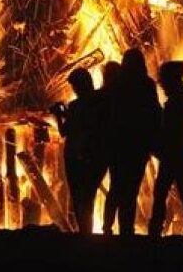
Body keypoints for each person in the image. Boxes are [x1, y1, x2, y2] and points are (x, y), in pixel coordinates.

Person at [106, 48, 159, 236]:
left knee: (116, 186)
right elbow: (155, 113)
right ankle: (126, 229)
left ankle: (107, 228)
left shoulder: (116, 85)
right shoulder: (147, 85)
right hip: (138, 145)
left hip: (117, 145)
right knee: (130, 190)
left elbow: (108, 114)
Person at [148, 60, 183, 237]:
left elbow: (172, 131)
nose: (161, 85)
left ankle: (155, 231)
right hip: (180, 152)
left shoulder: (178, 102)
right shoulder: (182, 98)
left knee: (164, 191)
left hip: (175, 154)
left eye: (163, 81)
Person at [51, 67, 102, 234]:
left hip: (75, 155)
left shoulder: (76, 105)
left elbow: (64, 131)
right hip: (94, 155)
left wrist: (58, 115)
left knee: (78, 195)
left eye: (74, 86)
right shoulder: (99, 101)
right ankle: (87, 232)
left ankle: (84, 232)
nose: (74, 89)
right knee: (89, 195)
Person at [98, 60, 122, 233]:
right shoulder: (126, 96)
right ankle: (124, 228)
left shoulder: (101, 96)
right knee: (120, 189)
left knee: (92, 189)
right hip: (119, 148)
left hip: (103, 148)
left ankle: (106, 227)